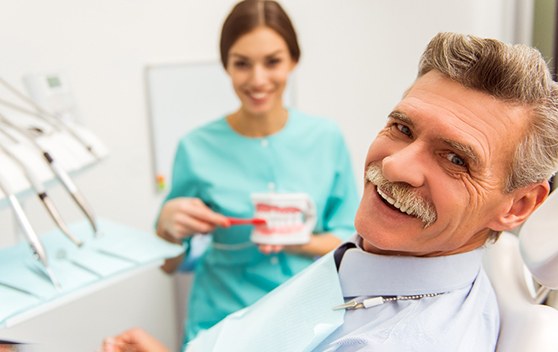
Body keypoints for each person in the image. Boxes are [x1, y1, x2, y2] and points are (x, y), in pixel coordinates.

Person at [102, 31, 558, 352]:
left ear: (518, 205)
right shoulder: (377, 257)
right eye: (401, 127)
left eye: (455, 158)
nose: (394, 164)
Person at [153, 0, 359, 347]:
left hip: (306, 320)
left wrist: (301, 240)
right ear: (226, 66)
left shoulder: (325, 138)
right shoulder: (195, 147)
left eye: (273, 62)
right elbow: (170, 265)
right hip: (221, 325)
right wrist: (166, 229)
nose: (258, 79)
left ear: (294, 60)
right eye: (242, 64)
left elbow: (351, 243)